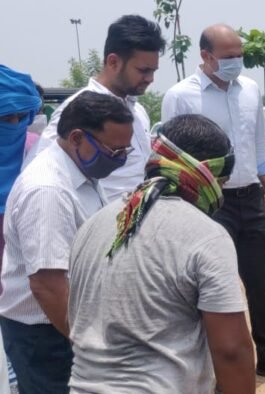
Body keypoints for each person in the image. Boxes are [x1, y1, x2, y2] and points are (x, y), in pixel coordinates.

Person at [67, 115, 254, 394]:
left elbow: (76, 318)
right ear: (206, 176)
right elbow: (231, 350)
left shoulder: (95, 223)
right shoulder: (206, 236)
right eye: (222, 181)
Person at [160, 24, 265, 383]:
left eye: (240, 56)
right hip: (208, 203)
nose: (236, 63)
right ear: (205, 56)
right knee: (211, 288)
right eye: (228, 58)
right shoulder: (180, 96)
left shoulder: (250, 90)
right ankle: (213, 370)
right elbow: (172, 155)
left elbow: (258, 144)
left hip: (251, 197)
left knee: (259, 282)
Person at [0, 91, 134, 393]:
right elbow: (48, 285)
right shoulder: (49, 189)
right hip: (48, 334)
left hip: (68, 323)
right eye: (114, 151)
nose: (120, 160)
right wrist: (93, 349)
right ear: (76, 138)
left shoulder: (81, 171)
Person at [28, 14, 165, 202]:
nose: (150, 79)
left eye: (153, 71)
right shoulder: (78, 112)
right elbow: (39, 173)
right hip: (100, 222)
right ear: (113, 62)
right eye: (143, 70)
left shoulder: (138, 112)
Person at [0, 64, 42, 394]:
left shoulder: (35, 151)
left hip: (25, 298)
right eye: (4, 119)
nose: (13, 126)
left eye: (19, 117)